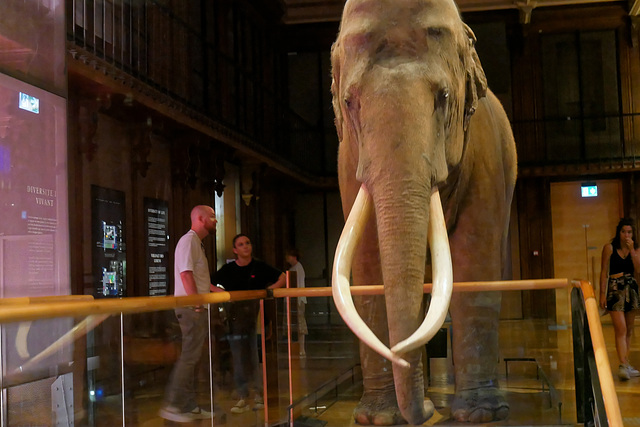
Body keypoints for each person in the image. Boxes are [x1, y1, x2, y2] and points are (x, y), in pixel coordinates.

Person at [160, 205, 222, 422]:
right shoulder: (188, 241)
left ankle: (187, 405)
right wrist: (196, 305)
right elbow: (186, 275)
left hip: (195, 307)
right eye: (212, 217)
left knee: (192, 357)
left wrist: (214, 290)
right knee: (189, 357)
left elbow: (196, 276)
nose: (216, 220)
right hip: (191, 309)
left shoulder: (196, 243)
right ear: (199, 218)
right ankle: (173, 404)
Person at [212, 234, 285, 414]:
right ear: (235, 250)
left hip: (255, 318)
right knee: (238, 357)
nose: (245, 246)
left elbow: (282, 277)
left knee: (254, 356)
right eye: (241, 244)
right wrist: (223, 294)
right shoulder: (228, 269)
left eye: (248, 243)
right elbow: (209, 282)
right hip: (235, 320)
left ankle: (259, 394)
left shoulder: (259, 267)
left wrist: (268, 291)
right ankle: (243, 395)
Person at [599, 218, 640, 381]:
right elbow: (603, 272)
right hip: (615, 289)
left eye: (629, 232)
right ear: (619, 232)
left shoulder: (635, 249)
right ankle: (622, 364)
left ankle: (626, 362)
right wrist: (602, 293)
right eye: (623, 232)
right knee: (620, 328)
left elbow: (638, 268)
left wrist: (632, 252)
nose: (626, 235)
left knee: (629, 328)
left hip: (631, 288)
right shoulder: (609, 248)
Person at [286, 248, 308, 357]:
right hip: (295, 298)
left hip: (298, 299)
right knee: (296, 324)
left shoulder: (298, 268)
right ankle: (297, 348)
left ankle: (302, 349)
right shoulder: (293, 268)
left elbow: (298, 284)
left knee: (300, 324)